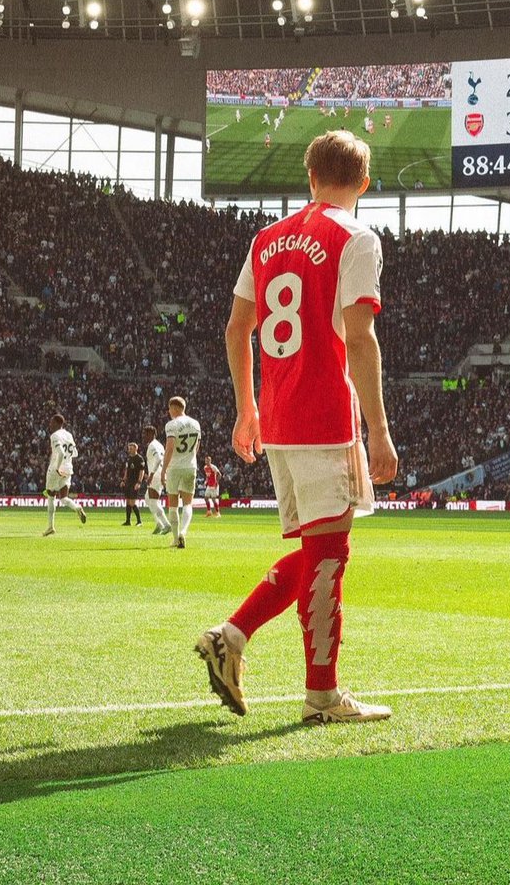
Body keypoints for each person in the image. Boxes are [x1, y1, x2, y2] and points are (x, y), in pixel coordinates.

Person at [197, 129, 397, 724]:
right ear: (363, 183)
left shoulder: (266, 239)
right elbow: (359, 338)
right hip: (325, 417)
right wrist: (380, 431)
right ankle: (321, 697)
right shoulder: (357, 237)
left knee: (319, 549)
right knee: (331, 555)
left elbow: (237, 329)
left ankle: (230, 638)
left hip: (278, 418)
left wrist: (246, 408)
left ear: (309, 177)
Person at [162, 396, 201, 549]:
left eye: (170, 408)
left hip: (174, 468)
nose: (169, 411)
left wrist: (164, 469)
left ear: (175, 408)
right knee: (187, 504)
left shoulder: (171, 425)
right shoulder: (196, 424)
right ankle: (183, 532)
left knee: (172, 504)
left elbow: (170, 447)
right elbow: (197, 446)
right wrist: (191, 459)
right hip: (191, 466)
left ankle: (175, 538)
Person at [42, 414, 86, 536]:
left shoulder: (55, 436)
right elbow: (75, 453)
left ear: (57, 423)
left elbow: (61, 452)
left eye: (51, 422)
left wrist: (57, 467)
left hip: (56, 469)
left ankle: (51, 527)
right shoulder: (69, 435)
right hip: (68, 468)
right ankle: (77, 507)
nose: (50, 424)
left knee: (51, 496)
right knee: (63, 497)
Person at [143, 423, 170, 535]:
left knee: (153, 501)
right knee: (147, 499)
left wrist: (151, 474)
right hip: (160, 474)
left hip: (156, 475)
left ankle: (166, 524)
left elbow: (159, 459)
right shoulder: (159, 445)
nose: (143, 436)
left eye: (145, 434)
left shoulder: (153, 445)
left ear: (151, 434)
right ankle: (159, 524)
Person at [120, 441, 145, 527]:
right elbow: (127, 470)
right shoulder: (128, 458)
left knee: (132, 503)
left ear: (135, 448)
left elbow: (142, 471)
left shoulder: (139, 459)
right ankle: (128, 521)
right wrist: (123, 480)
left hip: (135, 483)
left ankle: (139, 521)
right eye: (129, 448)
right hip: (128, 483)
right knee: (127, 502)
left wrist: (139, 482)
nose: (129, 450)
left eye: (131, 448)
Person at [202, 454, 222, 519]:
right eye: (206, 460)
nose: (206, 461)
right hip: (209, 485)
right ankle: (209, 511)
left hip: (214, 485)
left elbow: (219, 474)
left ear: (210, 461)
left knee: (213, 499)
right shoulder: (205, 467)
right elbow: (207, 476)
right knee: (206, 498)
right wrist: (206, 482)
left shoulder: (213, 467)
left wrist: (216, 482)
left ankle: (218, 513)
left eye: (208, 460)